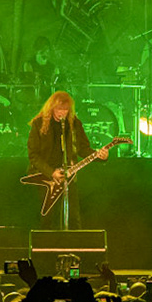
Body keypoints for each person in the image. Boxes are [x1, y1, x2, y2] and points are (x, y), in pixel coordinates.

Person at [25, 91, 108, 230]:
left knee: (73, 217)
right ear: (51, 108)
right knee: (47, 217)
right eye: (59, 109)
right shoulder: (38, 124)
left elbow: (83, 148)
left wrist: (100, 156)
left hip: (68, 175)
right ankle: (46, 248)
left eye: (65, 109)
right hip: (45, 176)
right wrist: (51, 172)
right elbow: (33, 155)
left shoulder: (74, 124)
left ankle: (74, 248)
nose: (62, 112)